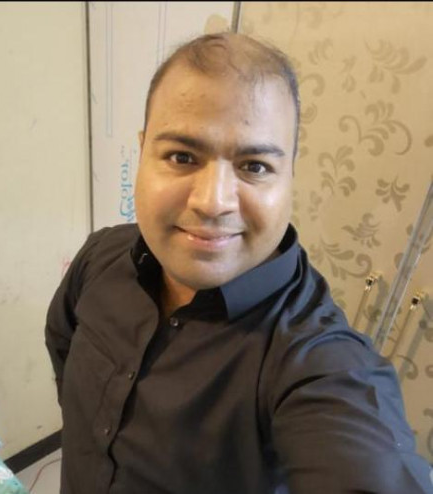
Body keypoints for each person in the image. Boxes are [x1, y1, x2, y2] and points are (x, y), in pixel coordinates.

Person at [45, 32, 433, 494]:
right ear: (142, 152)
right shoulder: (101, 256)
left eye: (254, 166)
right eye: (182, 157)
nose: (213, 202)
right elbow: (63, 344)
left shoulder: (319, 362)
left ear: (290, 175)